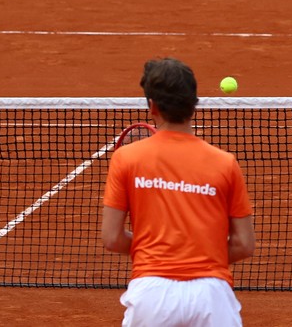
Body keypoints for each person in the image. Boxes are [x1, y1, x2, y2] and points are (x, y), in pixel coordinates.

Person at [102, 57, 256, 325]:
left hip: (151, 295)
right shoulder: (225, 163)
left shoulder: (126, 158)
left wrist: (157, 252)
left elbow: (112, 238)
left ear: (152, 106)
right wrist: (200, 255)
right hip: (212, 298)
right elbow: (244, 244)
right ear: (193, 104)